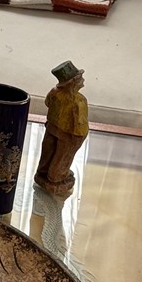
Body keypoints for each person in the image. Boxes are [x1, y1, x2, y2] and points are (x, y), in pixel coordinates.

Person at [35, 61, 89, 195]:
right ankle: (55, 179)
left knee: (47, 152)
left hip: (51, 127)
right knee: (63, 156)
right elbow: (80, 123)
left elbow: (47, 102)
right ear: (73, 82)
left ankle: (42, 172)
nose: (83, 80)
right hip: (69, 134)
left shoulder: (54, 92)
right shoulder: (79, 100)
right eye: (80, 78)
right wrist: (79, 138)